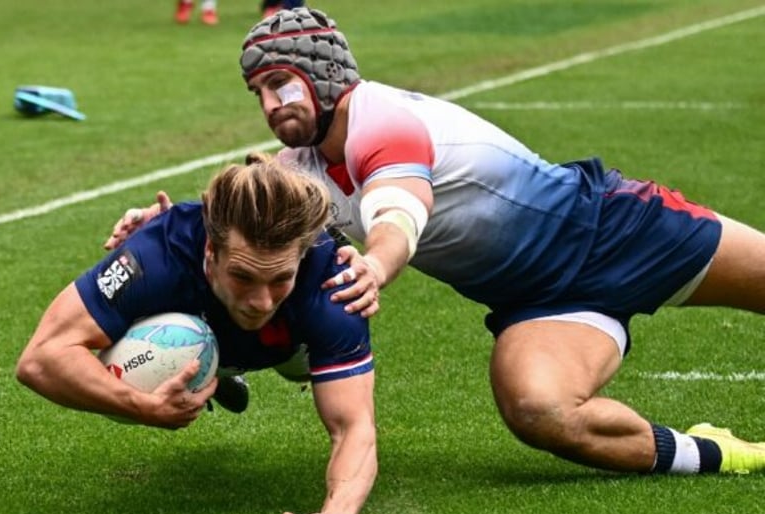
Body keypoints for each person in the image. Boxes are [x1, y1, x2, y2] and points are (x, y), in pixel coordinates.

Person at [108, 7, 765, 477]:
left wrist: (378, 263)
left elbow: (400, 212)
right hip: (540, 304)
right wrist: (163, 223)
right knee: (538, 408)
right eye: (259, 93)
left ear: (324, 73)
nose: (271, 103)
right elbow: (235, 216)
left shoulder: (382, 121)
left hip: (620, 232)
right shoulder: (300, 168)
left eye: (281, 83)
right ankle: (719, 452)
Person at [18, 154, 377, 514]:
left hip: (291, 345)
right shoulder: (157, 253)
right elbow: (41, 358)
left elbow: (353, 425)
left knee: (304, 366)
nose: (261, 301)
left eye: (279, 279)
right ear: (210, 251)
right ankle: (212, 365)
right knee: (118, 377)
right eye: (243, 276)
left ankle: (221, 363)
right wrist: (141, 406)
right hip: (189, 321)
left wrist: (339, 508)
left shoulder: (333, 280)